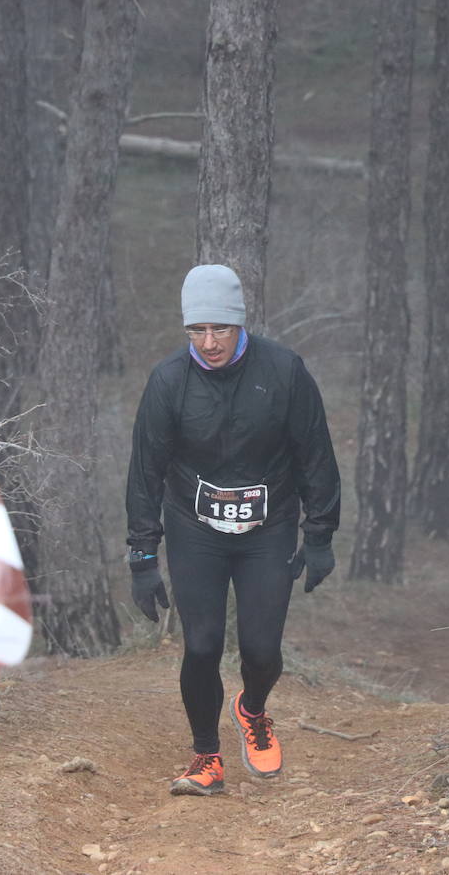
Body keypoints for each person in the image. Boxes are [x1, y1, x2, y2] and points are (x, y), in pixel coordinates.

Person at [125, 264, 341, 797]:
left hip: (266, 529)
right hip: (195, 528)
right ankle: (207, 757)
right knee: (200, 646)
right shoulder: (169, 380)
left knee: (261, 649)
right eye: (197, 330)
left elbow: (315, 455)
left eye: (219, 328)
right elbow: (146, 470)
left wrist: (319, 535)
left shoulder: (285, 371)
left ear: (240, 323)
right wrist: (142, 555)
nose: (209, 341)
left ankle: (253, 709)